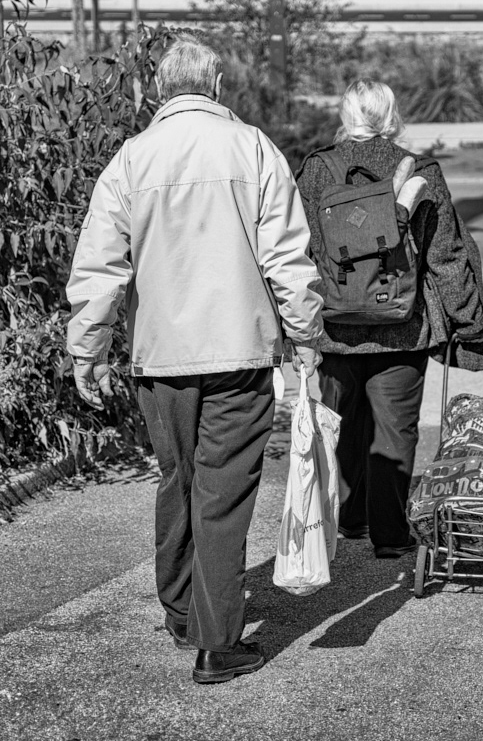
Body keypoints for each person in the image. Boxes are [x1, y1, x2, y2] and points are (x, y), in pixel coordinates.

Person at [66, 34, 323, 685]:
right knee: (222, 494)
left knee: (177, 480)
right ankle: (217, 642)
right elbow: (287, 259)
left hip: (159, 359)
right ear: (215, 88)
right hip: (238, 353)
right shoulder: (254, 149)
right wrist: (304, 335)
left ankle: (182, 612)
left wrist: (87, 349)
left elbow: (100, 266)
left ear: (158, 89)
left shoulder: (131, 159)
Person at [296, 80, 483, 560]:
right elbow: (446, 255)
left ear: (346, 117)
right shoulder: (420, 170)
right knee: (395, 429)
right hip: (403, 325)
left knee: (341, 422)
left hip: (336, 327)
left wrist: (294, 322)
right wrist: (469, 324)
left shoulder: (317, 171)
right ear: (391, 116)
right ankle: (389, 535)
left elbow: (295, 251)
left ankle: (351, 518)